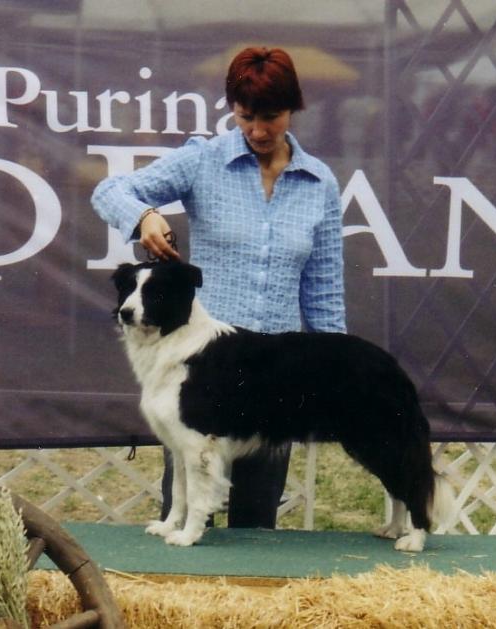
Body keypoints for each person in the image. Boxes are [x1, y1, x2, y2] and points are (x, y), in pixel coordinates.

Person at [91, 46, 346, 529]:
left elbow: (324, 292)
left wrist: (332, 370)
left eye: (270, 117)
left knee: (256, 524)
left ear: (293, 109)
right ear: (232, 109)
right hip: (203, 368)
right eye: (245, 116)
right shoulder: (202, 160)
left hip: (275, 370)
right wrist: (142, 216)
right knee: (186, 519)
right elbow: (109, 191)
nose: (257, 130)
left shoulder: (320, 183)